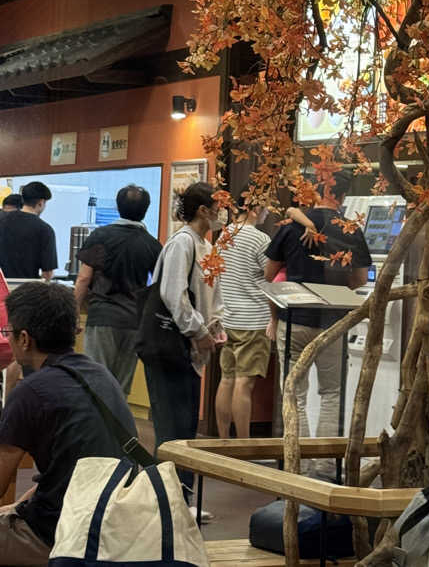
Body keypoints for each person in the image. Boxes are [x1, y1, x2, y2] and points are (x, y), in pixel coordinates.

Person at [0, 282, 139, 565]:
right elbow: (70, 465)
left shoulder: (31, 392)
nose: (9, 340)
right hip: (115, 527)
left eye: (8, 333)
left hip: (61, 537)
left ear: (24, 338)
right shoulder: (99, 374)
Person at [265, 174, 371, 474]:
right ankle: (325, 467)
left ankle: (298, 464)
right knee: (331, 393)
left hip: (293, 318)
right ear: (341, 195)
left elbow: (269, 274)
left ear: (318, 190)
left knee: (294, 394)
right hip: (332, 323)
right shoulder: (350, 230)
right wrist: (337, 289)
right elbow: (361, 279)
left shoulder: (291, 227)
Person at [139, 181, 224, 503]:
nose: (223, 212)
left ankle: (181, 499)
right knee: (171, 428)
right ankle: (167, 503)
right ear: (203, 210)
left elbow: (209, 296)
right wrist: (199, 331)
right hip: (170, 346)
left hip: (190, 348)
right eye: (219, 205)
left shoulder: (207, 246)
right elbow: (172, 294)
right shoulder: (182, 243)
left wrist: (215, 328)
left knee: (186, 426)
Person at [214, 204, 316, 439]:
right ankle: (243, 444)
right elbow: (271, 276)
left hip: (228, 318)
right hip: (253, 320)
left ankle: (222, 441)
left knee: (226, 379)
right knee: (244, 384)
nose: (267, 213)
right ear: (253, 209)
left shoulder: (224, 236)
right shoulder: (260, 240)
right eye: (265, 209)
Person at [73, 185, 162, 395]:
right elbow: (157, 287)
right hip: (133, 321)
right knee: (120, 388)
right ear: (146, 209)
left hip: (102, 316)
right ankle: (117, 427)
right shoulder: (151, 244)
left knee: (97, 382)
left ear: (117, 206)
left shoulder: (101, 235)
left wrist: (74, 313)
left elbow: (84, 278)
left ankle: (95, 428)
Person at [0, 182, 57, 281]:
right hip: (26, 290)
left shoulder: (2, 220)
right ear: (41, 202)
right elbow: (47, 273)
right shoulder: (45, 230)